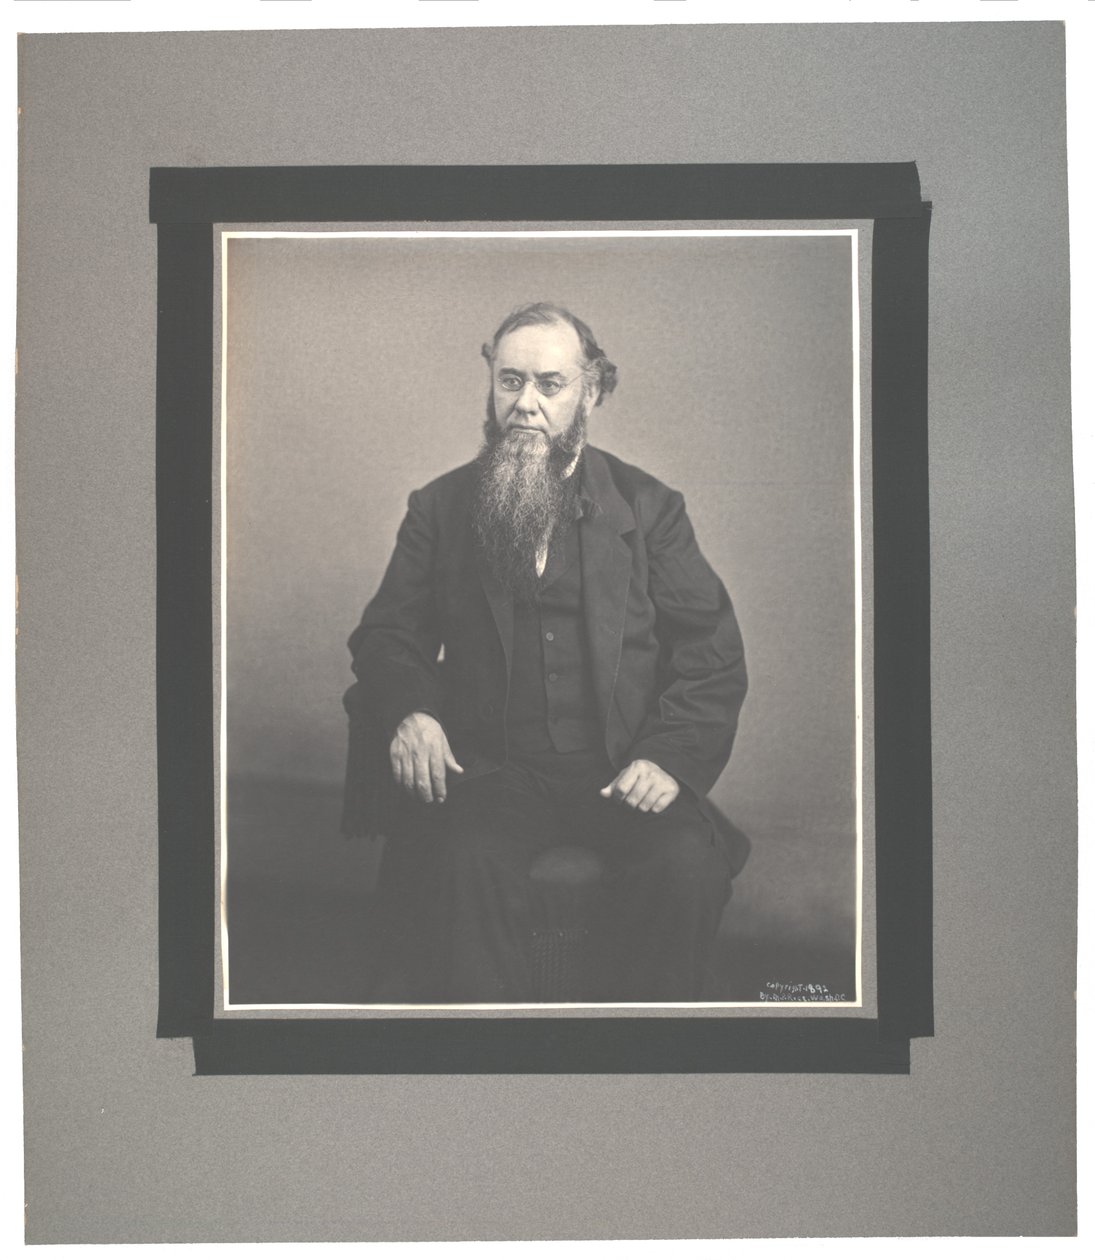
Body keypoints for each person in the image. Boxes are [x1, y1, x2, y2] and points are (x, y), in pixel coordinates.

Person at [345, 302, 749, 1003]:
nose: (524, 404)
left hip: (621, 769)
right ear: (491, 383)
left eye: (549, 385)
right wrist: (412, 712)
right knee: (457, 864)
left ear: (590, 392)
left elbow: (709, 650)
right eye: (510, 381)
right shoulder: (439, 507)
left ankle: (642, 1053)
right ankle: (491, 1056)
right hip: (491, 772)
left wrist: (666, 758)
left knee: (687, 867)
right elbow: (388, 635)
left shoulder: (650, 507)